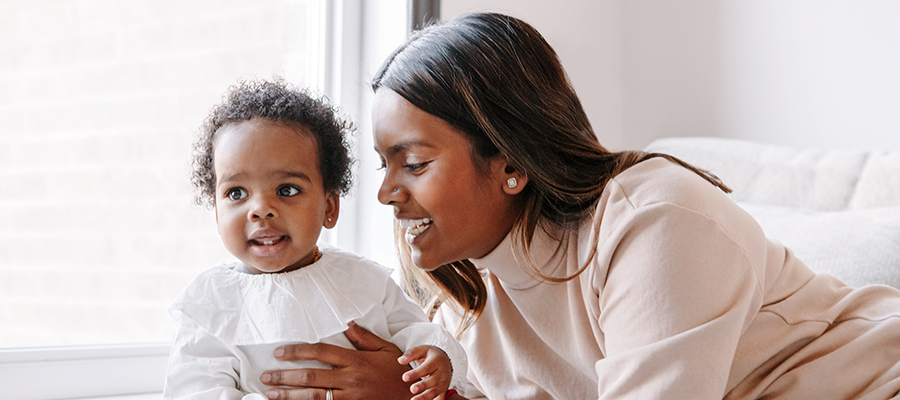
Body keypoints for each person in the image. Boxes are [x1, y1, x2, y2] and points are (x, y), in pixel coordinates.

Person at [260, 12, 900, 400]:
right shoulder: (470, 303)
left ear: (510, 162)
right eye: (384, 165)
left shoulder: (656, 222)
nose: (386, 193)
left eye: (415, 163)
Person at [163, 78, 466, 400]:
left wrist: (437, 357)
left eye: (286, 190)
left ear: (329, 208)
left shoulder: (363, 281)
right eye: (236, 193)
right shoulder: (209, 305)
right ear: (216, 212)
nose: (261, 209)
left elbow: (418, 334)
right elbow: (195, 391)